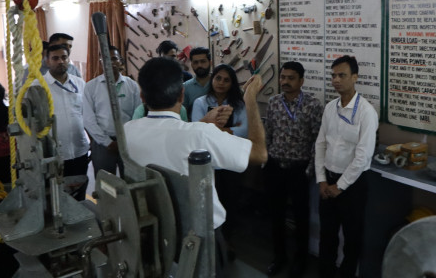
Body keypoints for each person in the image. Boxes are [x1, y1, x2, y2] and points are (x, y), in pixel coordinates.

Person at [124, 57, 267, 273]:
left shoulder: (127, 131)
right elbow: (259, 154)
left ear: (142, 96)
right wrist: (250, 100)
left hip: (152, 232)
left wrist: (202, 124)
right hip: (199, 239)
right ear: (182, 95)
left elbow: (169, 137)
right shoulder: (200, 134)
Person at [315, 55, 378, 278]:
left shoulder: (366, 112)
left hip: (353, 186)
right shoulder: (330, 108)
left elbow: (363, 156)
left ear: (355, 77)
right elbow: (320, 144)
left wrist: (340, 186)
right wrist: (322, 180)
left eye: (342, 75)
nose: (336, 80)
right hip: (328, 181)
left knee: (352, 239)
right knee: (327, 236)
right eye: (333, 75)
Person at [264, 61, 323, 277]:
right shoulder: (273, 102)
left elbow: (318, 141)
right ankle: (279, 256)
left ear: (301, 81)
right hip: (275, 168)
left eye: (291, 78)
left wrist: (309, 171)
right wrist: (266, 161)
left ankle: (300, 260)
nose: (285, 82)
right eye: (283, 77)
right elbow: (268, 133)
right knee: (276, 215)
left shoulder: (313, 105)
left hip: (299, 170)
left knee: (300, 217)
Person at [192, 64, 247, 252]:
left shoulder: (239, 104)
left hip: (230, 161)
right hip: (208, 162)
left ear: (232, 83)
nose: (221, 83)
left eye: (226, 80)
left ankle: (227, 241)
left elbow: (244, 130)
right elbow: (198, 129)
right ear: (212, 79)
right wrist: (229, 130)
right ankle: (210, 242)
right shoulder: (200, 102)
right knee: (209, 202)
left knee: (230, 201)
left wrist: (216, 129)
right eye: (218, 78)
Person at [39, 44, 90, 201]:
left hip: (79, 150)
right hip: (54, 155)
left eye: (64, 57)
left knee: (79, 191)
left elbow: (87, 115)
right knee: (56, 196)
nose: (60, 61)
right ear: (47, 61)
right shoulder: (38, 87)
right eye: (55, 58)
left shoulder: (79, 84)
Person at [83, 46, 141, 178]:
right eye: (105, 59)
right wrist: (107, 142)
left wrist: (127, 139)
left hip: (128, 143)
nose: (110, 62)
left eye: (114, 58)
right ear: (100, 62)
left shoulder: (132, 86)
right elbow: (88, 119)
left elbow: (137, 115)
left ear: (120, 61)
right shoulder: (91, 87)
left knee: (131, 180)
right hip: (102, 144)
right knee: (106, 184)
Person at [183, 47, 212, 119]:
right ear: (191, 65)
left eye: (203, 61)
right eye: (196, 62)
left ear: (210, 62)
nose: (199, 65)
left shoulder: (219, 84)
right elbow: (183, 113)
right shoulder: (185, 87)